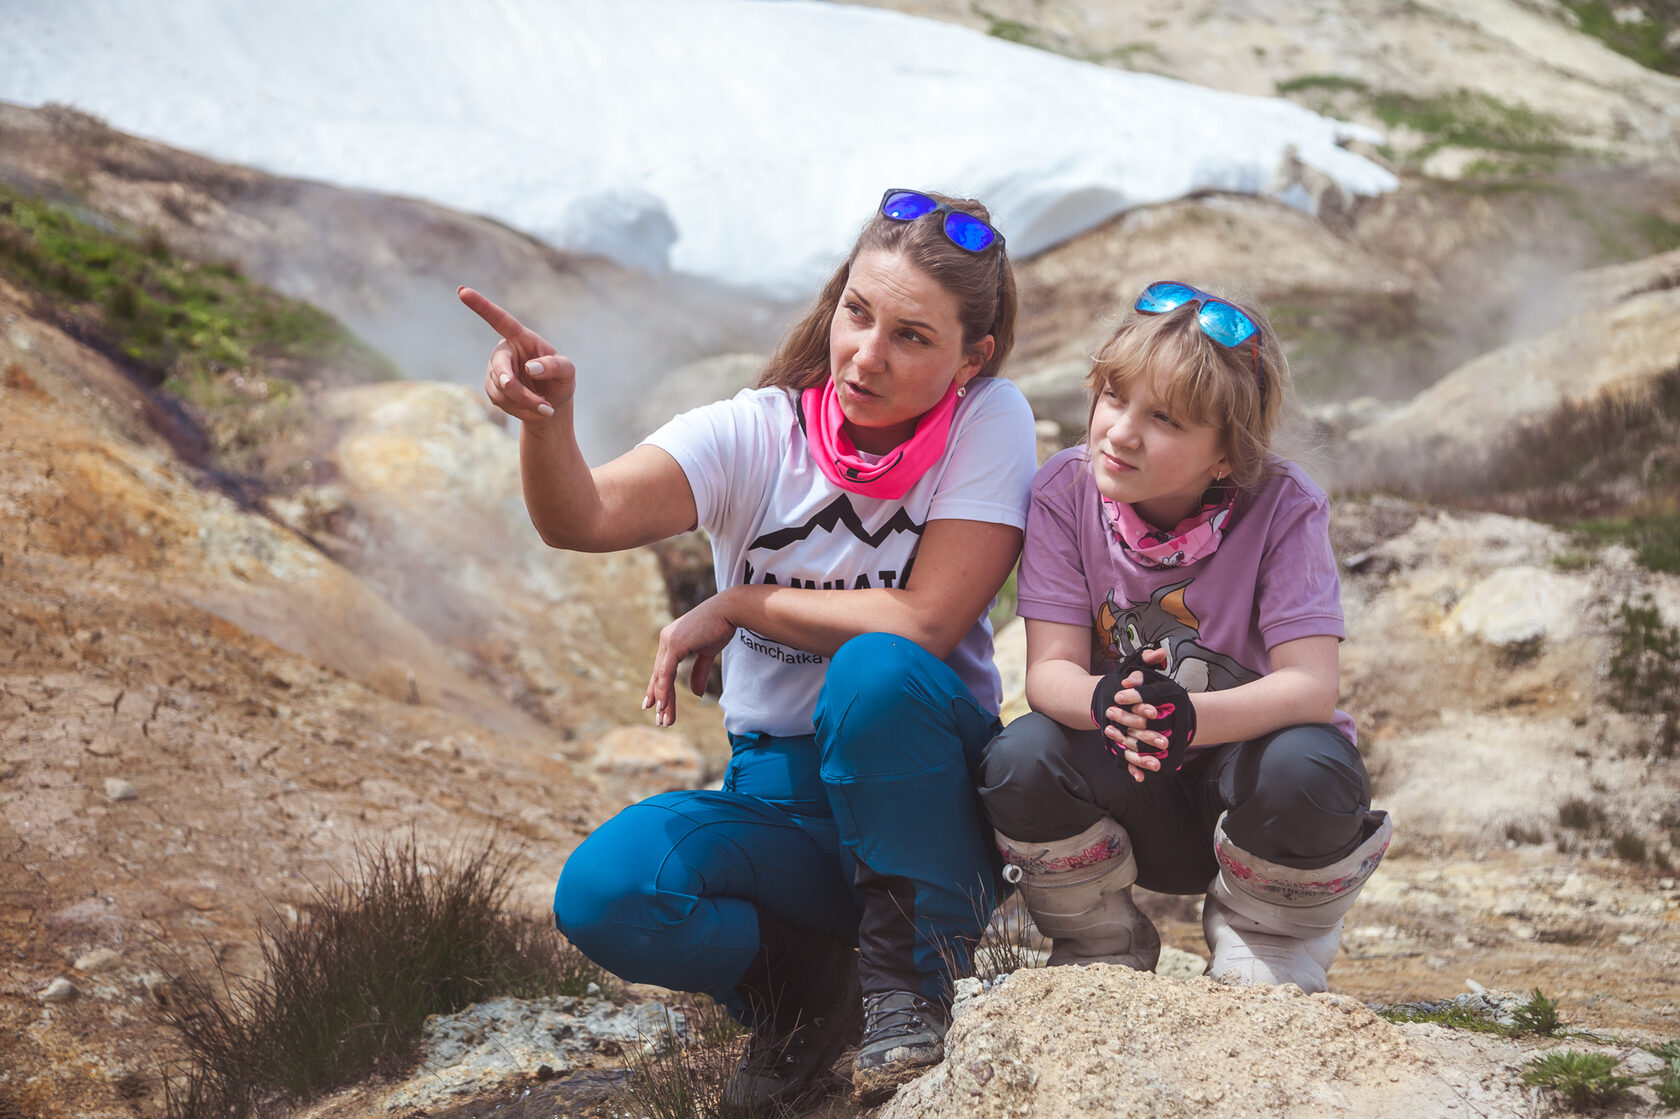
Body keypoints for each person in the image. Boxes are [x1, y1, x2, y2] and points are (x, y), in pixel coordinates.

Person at [458, 188, 1036, 1107]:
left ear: (974, 356)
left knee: (878, 669)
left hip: (930, 802)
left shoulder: (989, 420)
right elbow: (583, 517)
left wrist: (743, 600)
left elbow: (925, 624)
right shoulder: (757, 432)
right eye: (858, 312)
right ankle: (806, 1001)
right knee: (607, 891)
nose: (867, 354)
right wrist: (546, 424)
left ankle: (911, 987)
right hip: (782, 801)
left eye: (913, 337)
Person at [977, 281, 1392, 994]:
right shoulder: (1063, 494)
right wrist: (1107, 700)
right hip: (1132, 787)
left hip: (1252, 796)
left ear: (1226, 454)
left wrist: (1191, 716)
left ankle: (1268, 936)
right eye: (1113, 395)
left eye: (1164, 418)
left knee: (1311, 766)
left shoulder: (1286, 507)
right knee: (1020, 756)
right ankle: (1097, 935)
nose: (1120, 431)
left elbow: (1312, 686)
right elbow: (1049, 673)